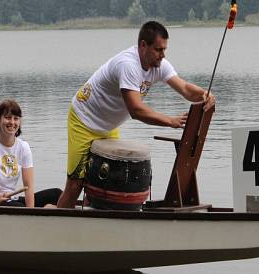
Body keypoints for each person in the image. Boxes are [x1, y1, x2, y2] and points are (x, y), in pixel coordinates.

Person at [56, 21, 216, 208]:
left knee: (103, 185)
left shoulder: (159, 64)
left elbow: (185, 88)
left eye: (164, 49)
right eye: (158, 49)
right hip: (83, 120)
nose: (162, 55)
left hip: (108, 126)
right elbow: (136, 110)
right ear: (142, 45)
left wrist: (204, 94)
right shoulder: (128, 65)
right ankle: (56, 224)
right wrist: (170, 121)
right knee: (76, 184)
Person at [0, 99, 61, 207]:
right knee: (19, 207)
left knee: (57, 194)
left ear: (19, 122)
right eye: (8, 118)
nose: (12, 122)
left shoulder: (23, 147)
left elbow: (28, 186)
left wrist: (31, 212)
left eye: (16, 118)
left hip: (12, 199)